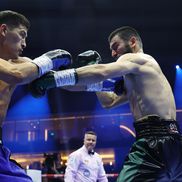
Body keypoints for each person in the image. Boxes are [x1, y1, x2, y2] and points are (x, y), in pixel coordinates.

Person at [30, 26, 182, 181]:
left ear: (133, 42)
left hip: (153, 142)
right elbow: (108, 101)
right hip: (174, 144)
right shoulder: (139, 79)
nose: (113, 53)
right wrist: (54, 82)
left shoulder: (138, 58)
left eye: (116, 47)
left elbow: (101, 71)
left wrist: (57, 78)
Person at [0, 10, 72, 181]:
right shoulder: (16, 69)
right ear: (3, 30)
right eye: (21, 35)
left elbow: (58, 79)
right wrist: (48, 59)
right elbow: (16, 74)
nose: (25, 43)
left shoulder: (22, 65)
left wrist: (102, 84)